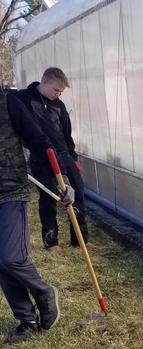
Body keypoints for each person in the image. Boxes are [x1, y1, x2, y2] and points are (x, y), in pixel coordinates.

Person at [0, 89, 74, 344]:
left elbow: (40, 142)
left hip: (10, 191)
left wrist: (59, 179)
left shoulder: (7, 102)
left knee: (12, 258)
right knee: (1, 262)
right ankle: (27, 320)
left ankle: (44, 293)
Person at [16, 67, 89, 252]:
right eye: (55, 90)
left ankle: (80, 240)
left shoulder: (59, 106)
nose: (57, 95)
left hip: (64, 155)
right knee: (49, 197)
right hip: (42, 157)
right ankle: (51, 242)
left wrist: (73, 157)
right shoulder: (23, 99)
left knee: (77, 194)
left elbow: (66, 133)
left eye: (61, 92)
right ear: (45, 81)